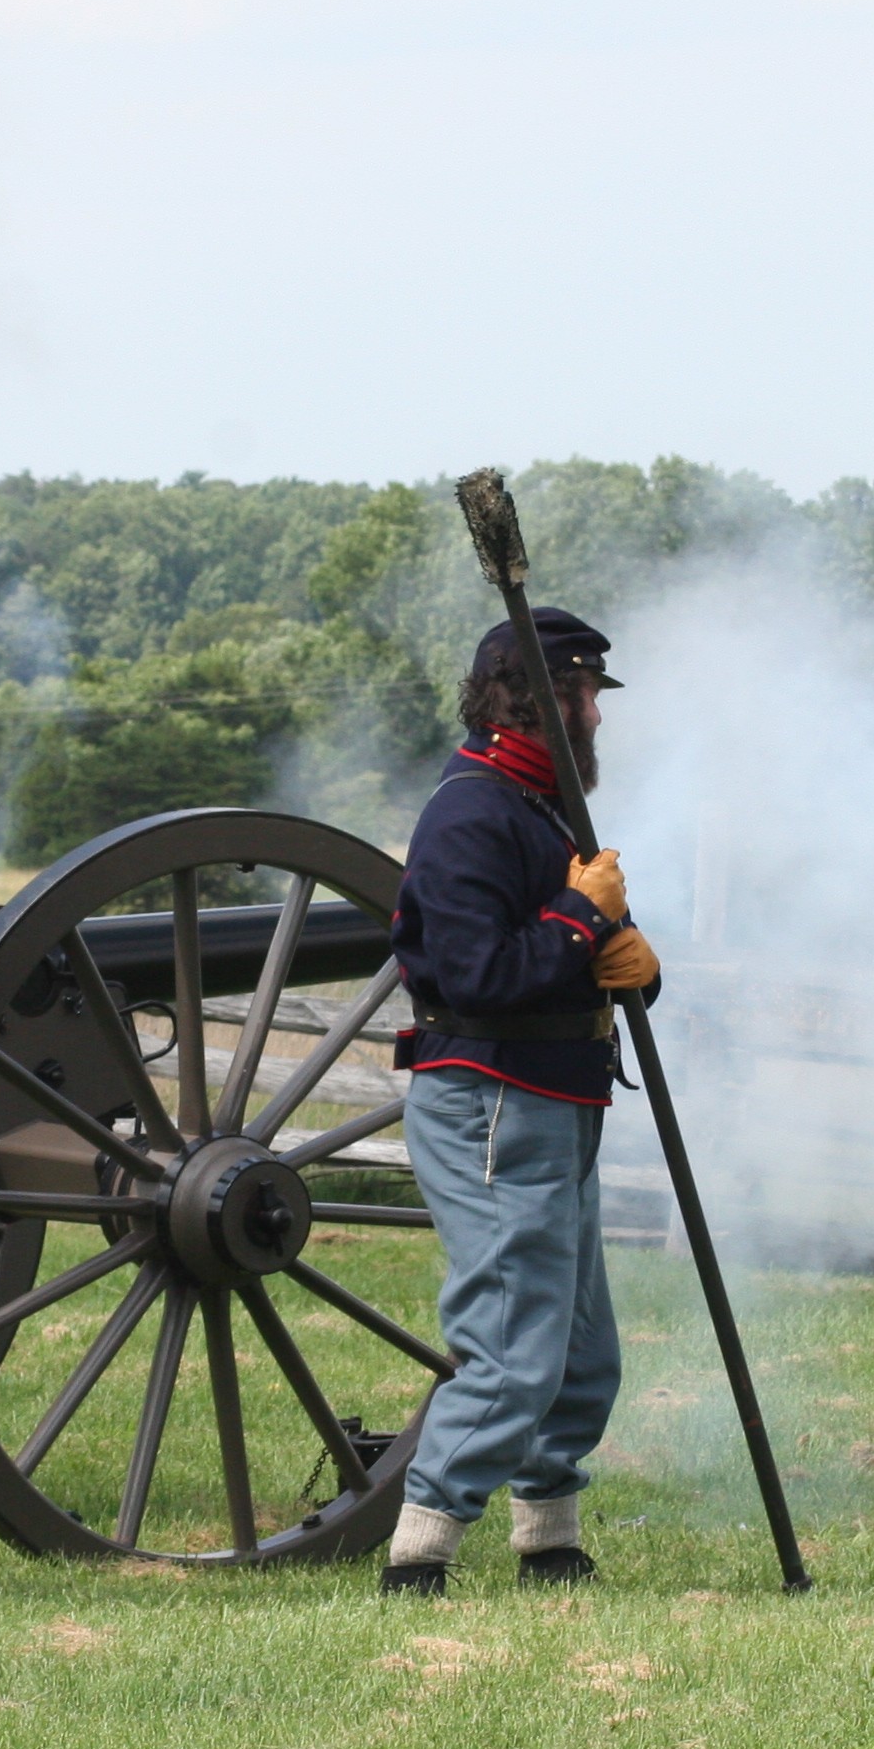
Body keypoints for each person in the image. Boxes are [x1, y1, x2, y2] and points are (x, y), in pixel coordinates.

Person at [379, 608, 659, 1596]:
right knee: (513, 1340)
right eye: (585, 696)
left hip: (560, 1096)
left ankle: (549, 1534)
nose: (597, 716)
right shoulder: (471, 812)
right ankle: (420, 1548)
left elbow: (575, 955)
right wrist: (584, 919)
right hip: (493, 1096)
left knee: (581, 1348)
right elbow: (476, 974)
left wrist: (633, 965)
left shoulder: (545, 810)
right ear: (538, 703)